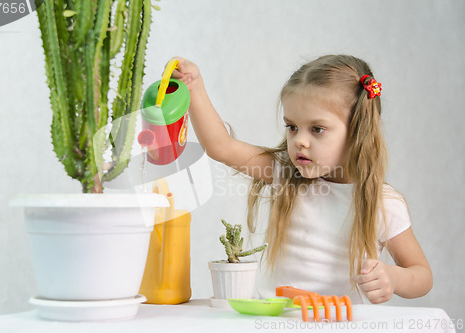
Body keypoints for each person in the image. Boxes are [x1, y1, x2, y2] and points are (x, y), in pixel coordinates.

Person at [171, 54, 432, 304]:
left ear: (357, 131)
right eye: (292, 127)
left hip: (334, 325)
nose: (299, 141)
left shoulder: (381, 203)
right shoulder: (287, 174)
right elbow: (222, 147)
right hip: (274, 321)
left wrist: (394, 278)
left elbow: (422, 275)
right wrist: (194, 87)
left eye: (317, 129)